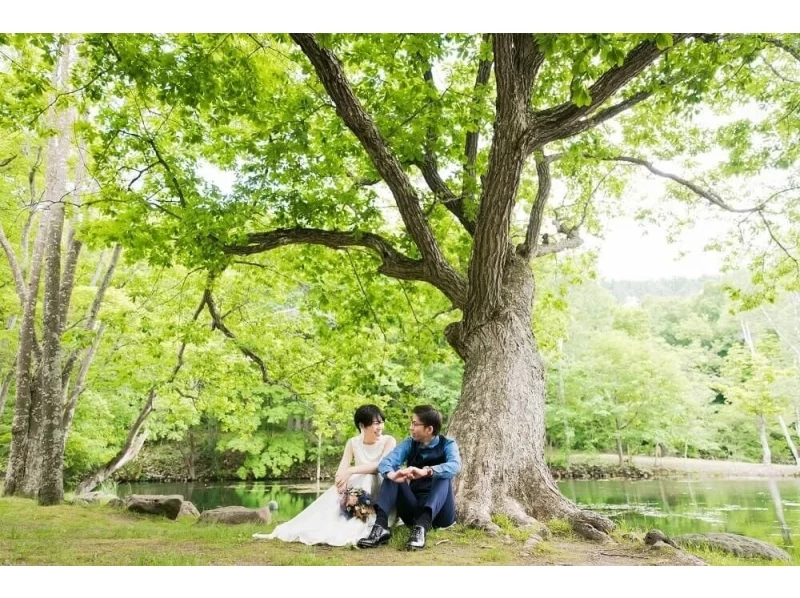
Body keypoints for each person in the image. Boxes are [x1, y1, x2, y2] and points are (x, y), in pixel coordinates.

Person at [253, 404, 396, 546]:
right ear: (362, 425)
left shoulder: (388, 441)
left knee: (366, 477)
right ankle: (332, 524)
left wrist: (352, 471)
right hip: (357, 485)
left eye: (382, 422)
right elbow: (343, 466)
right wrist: (340, 481)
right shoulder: (353, 443)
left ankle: (362, 524)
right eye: (376, 423)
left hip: (380, 486)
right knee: (336, 492)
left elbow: (381, 466)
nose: (380, 427)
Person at [357, 404, 460, 551]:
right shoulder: (409, 443)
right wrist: (392, 474)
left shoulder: (448, 444)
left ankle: (421, 530)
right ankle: (380, 528)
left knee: (443, 475)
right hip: (413, 510)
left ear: (429, 429)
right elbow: (386, 462)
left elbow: (456, 466)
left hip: (441, 515)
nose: (411, 427)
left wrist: (427, 471)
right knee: (393, 471)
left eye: (415, 423)